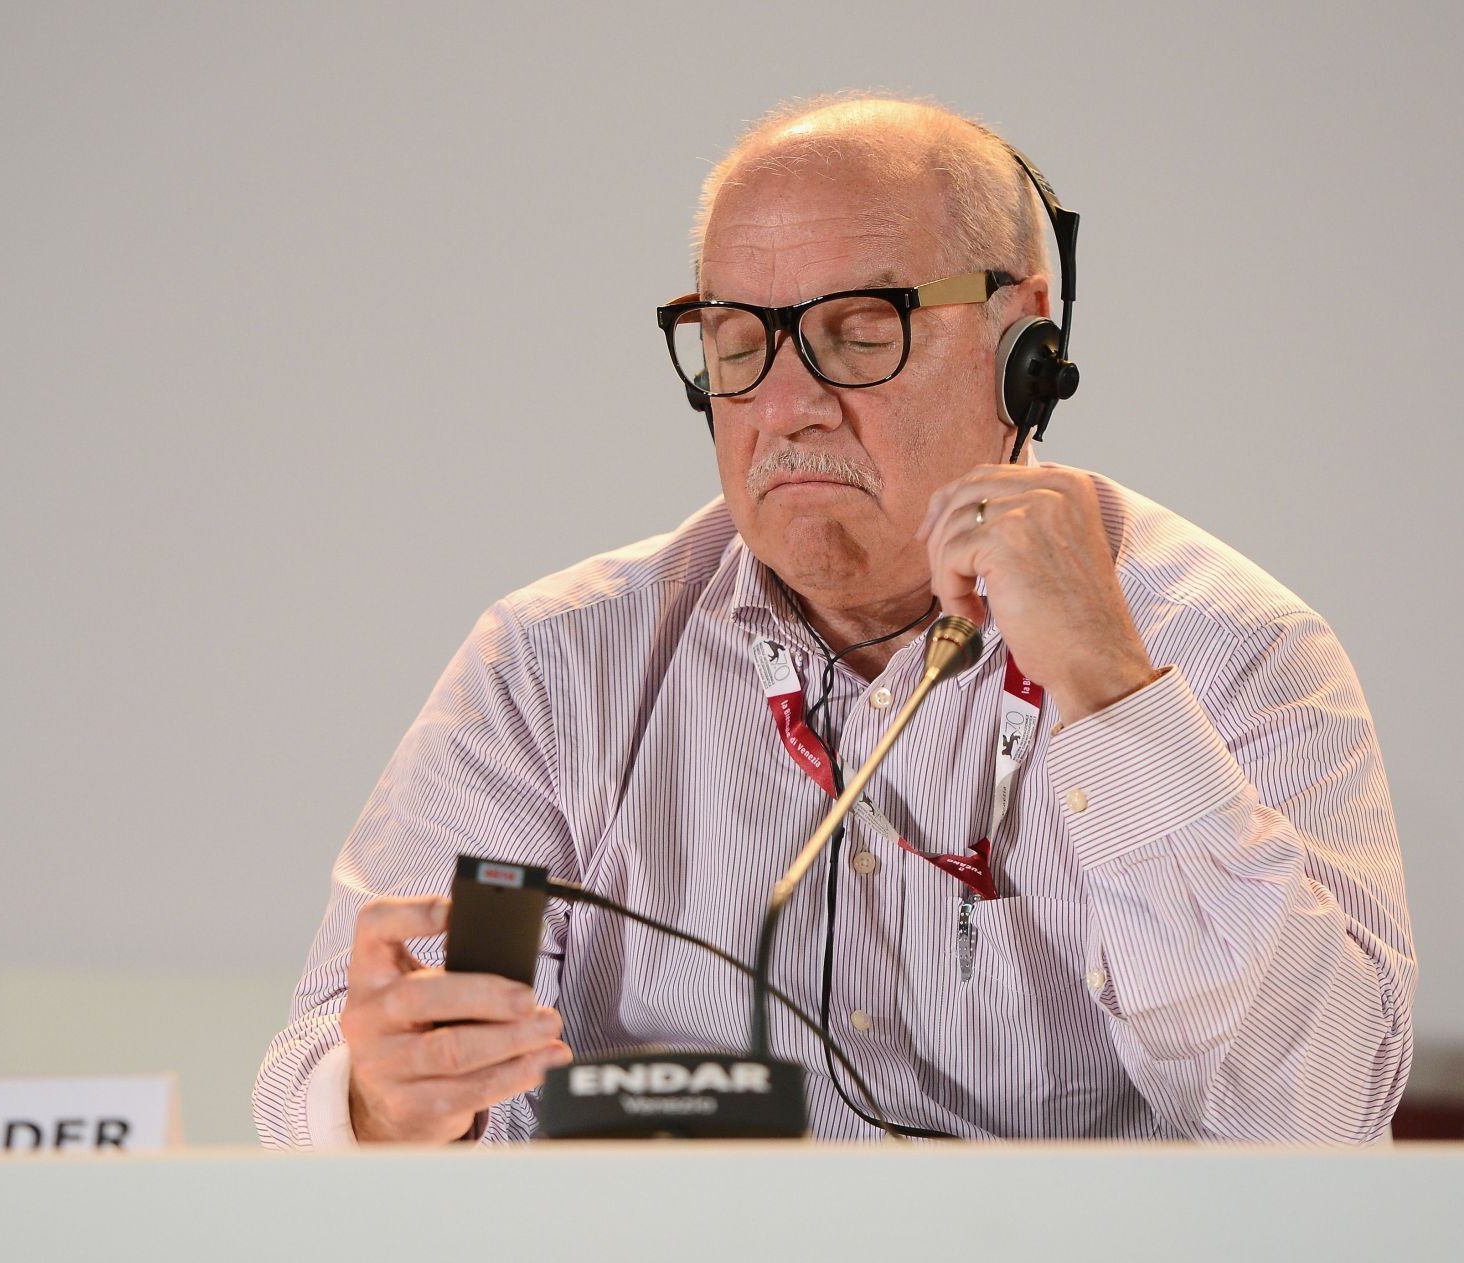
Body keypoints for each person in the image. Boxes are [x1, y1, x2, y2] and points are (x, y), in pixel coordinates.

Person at [252, 94, 1415, 1147]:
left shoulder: (1232, 651)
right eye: (738, 340)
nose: (790, 404)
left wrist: (1114, 698)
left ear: (1027, 345)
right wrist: (384, 1101)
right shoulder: (554, 670)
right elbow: (314, 1087)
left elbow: (1310, 1122)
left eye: (860, 330)